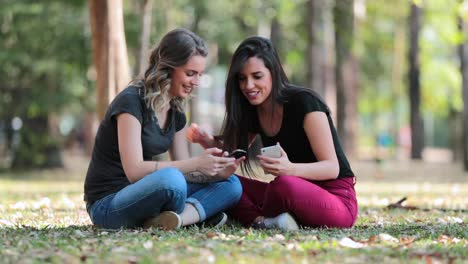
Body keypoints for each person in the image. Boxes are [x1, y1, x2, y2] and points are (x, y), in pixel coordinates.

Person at [188, 36, 357, 231]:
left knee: (283, 185)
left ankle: (256, 217)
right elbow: (231, 155)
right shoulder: (254, 110)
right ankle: (269, 221)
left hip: (336, 199)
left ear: (273, 73)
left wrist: (290, 169)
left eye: (257, 76)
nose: (248, 86)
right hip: (289, 193)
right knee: (228, 182)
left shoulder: (305, 102)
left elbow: (331, 168)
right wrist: (205, 140)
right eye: (242, 78)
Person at [84, 28, 244, 230]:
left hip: (148, 195)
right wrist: (197, 162)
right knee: (171, 180)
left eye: (200, 75)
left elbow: (185, 169)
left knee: (231, 184)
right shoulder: (131, 101)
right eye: (190, 73)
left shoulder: (176, 109)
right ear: (169, 67)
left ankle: (178, 220)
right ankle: (196, 215)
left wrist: (213, 175)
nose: (196, 82)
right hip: (109, 204)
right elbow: (134, 171)